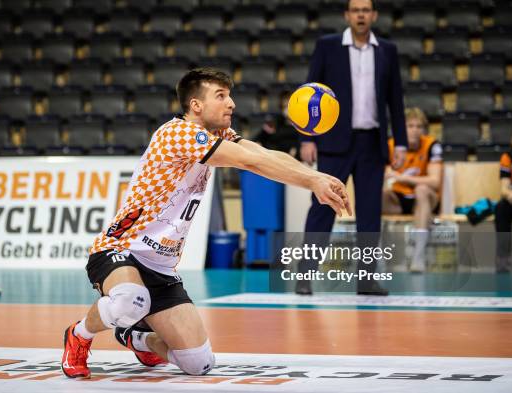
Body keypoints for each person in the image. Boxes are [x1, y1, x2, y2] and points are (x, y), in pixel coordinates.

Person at [61, 68, 352, 379]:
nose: (232, 104)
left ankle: (136, 337)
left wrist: (318, 176)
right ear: (196, 106)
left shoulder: (218, 135)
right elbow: (249, 162)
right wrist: (311, 183)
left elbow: (262, 153)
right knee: (131, 299)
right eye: (221, 96)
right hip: (120, 250)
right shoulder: (178, 133)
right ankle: (79, 335)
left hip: (161, 266)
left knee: (199, 364)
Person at [297, 0, 407, 295]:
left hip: (372, 142)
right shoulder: (328, 45)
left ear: (374, 15)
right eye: (355, 10)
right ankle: (305, 276)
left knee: (371, 213)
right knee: (323, 208)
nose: (361, 14)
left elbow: (395, 100)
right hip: (334, 142)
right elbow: (310, 94)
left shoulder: (387, 50)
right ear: (347, 15)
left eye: (365, 10)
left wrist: (402, 142)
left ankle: (366, 279)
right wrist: (307, 137)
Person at [382, 107, 443, 273]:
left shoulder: (432, 145)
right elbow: (385, 173)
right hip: (399, 198)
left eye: (419, 126)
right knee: (375, 197)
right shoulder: (391, 145)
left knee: (422, 189)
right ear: (402, 128)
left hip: (425, 199)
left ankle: (418, 255)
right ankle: (374, 256)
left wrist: (403, 178)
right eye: (410, 126)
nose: (415, 131)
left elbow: (435, 181)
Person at [494, 124, 512, 273]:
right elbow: (504, 188)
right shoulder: (507, 157)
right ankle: (503, 259)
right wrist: (511, 195)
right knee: (501, 209)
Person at [253, 91, 298, 155]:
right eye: (284, 107)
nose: (287, 110)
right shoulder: (274, 122)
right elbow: (259, 138)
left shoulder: (300, 125)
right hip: (275, 156)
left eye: (289, 107)